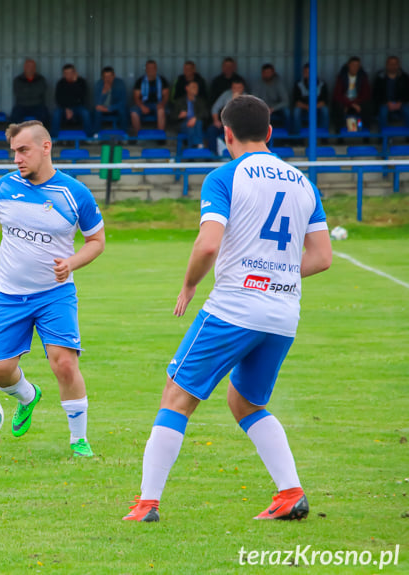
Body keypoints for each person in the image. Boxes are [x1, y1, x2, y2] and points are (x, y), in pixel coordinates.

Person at [123, 95, 332, 523]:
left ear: (227, 134)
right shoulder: (302, 182)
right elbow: (323, 256)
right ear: (270, 133)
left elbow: (208, 243)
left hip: (234, 308)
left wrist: (189, 285)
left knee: (176, 395)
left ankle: (147, 504)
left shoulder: (224, 177)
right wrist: (277, 275)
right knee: (245, 403)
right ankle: (290, 493)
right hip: (283, 314)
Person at [0, 120, 106, 457]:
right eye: (13, 151)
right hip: (8, 294)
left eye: (23, 150)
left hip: (54, 295)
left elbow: (96, 241)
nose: (17, 158)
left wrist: (71, 263)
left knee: (64, 364)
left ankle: (78, 439)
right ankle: (28, 395)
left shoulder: (75, 194)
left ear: (46, 147)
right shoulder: (6, 186)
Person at [332, 56, 373, 132]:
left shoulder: (363, 77)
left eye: (357, 66)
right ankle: (339, 135)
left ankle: (366, 134)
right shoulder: (342, 76)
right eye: (353, 65)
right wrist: (350, 104)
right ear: (348, 65)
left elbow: (366, 94)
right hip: (345, 103)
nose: (355, 68)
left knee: (367, 106)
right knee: (337, 106)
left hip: (358, 103)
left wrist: (355, 104)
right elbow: (338, 95)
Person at [207, 78, 246, 153]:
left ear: (243, 88)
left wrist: (236, 100)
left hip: (241, 126)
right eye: (234, 88)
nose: (237, 90)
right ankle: (214, 155)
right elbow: (215, 108)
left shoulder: (248, 97)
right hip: (226, 124)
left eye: (239, 88)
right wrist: (216, 120)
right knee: (211, 130)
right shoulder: (226, 95)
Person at [130, 60, 170, 133]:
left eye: (153, 68)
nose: (151, 70)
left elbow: (166, 95)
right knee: (133, 112)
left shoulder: (162, 80)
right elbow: (136, 97)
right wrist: (142, 106)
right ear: (146, 69)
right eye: (149, 68)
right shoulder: (140, 81)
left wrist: (162, 104)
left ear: (156, 69)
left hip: (158, 103)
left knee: (161, 110)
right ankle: (138, 136)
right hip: (144, 103)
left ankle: (160, 137)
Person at [51, 63, 90, 137]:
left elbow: (82, 97)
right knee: (56, 113)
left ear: (74, 72)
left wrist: (75, 83)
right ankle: (54, 137)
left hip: (78, 107)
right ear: (63, 74)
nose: (68, 75)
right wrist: (67, 109)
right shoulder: (61, 83)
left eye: (70, 72)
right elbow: (58, 99)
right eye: (66, 73)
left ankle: (89, 137)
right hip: (64, 108)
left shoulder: (81, 82)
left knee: (85, 113)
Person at [291, 63, 329, 134]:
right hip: (304, 108)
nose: (306, 74)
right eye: (305, 72)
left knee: (325, 110)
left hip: (317, 108)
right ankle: (297, 138)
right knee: (296, 111)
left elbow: (324, 101)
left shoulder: (322, 83)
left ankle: (324, 137)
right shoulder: (298, 84)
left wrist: (313, 107)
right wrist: (307, 107)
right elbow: (296, 102)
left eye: (308, 72)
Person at [373, 56, 409, 130]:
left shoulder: (404, 77)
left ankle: (407, 135)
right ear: (386, 65)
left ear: (398, 65)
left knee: (407, 111)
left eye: (395, 64)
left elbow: (407, 93)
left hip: (400, 103)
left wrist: (400, 102)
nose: (393, 66)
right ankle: (384, 137)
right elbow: (376, 94)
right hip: (385, 103)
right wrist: (387, 102)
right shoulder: (380, 77)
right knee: (383, 113)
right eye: (390, 64)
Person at [11, 58, 49, 125]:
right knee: (14, 117)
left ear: (35, 68)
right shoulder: (18, 80)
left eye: (32, 67)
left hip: (37, 105)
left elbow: (41, 91)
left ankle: (41, 135)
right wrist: (33, 91)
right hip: (21, 105)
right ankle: (19, 135)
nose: (30, 69)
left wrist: (26, 91)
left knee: (45, 116)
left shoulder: (41, 79)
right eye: (28, 66)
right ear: (24, 67)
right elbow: (18, 93)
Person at [92, 66, 128, 135]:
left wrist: (109, 108)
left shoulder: (120, 83)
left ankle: (124, 134)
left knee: (123, 110)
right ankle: (96, 135)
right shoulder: (98, 84)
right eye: (105, 77)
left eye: (110, 76)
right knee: (97, 111)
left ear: (114, 76)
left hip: (115, 107)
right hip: (102, 108)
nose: (108, 79)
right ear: (102, 77)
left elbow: (123, 102)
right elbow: (97, 104)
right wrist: (104, 92)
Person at [173, 80, 210, 148]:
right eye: (193, 87)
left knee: (196, 124)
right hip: (183, 124)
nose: (196, 89)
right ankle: (199, 145)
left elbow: (205, 113)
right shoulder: (179, 101)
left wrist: (194, 118)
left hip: (196, 124)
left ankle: (192, 150)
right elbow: (172, 117)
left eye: (197, 87)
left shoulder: (200, 101)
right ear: (187, 88)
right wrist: (179, 116)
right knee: (193, 125)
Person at [251, 64, 289, 128]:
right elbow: (254, 100)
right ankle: (258, 135)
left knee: (287, 112)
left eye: (269, 72)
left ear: (273, 73)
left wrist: (273, 109)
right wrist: (264, 108)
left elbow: (286, 101)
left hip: (276, 108)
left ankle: (288, 134)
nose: (267, 75)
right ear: (262, 73)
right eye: (265, 73)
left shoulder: (278, 83)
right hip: (262, 108)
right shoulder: (257, 83)